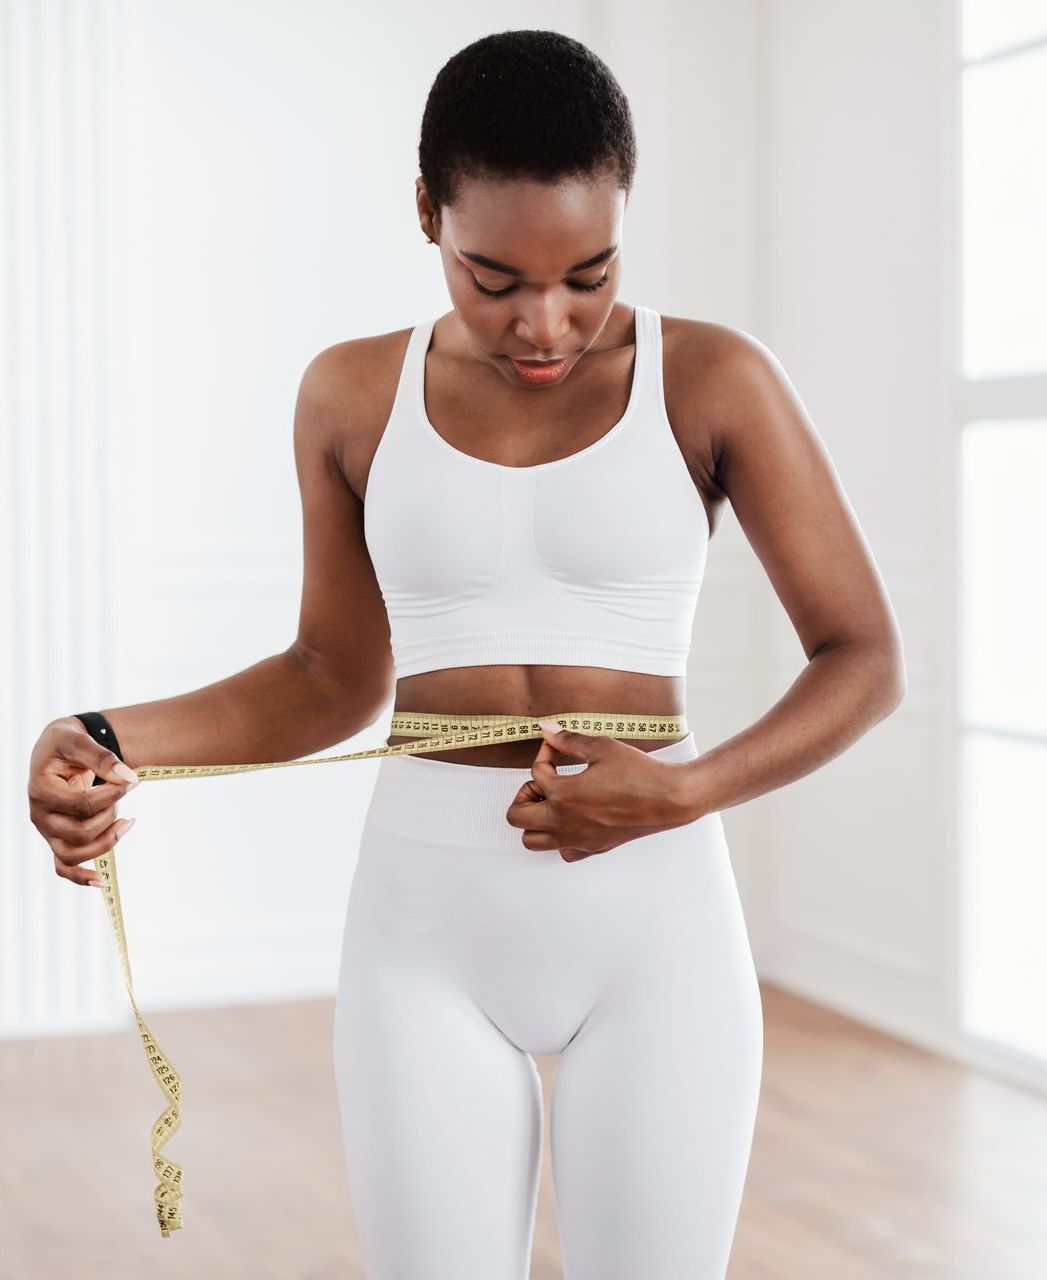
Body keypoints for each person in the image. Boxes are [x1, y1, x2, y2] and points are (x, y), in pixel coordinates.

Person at [27, 27, 906, 1280]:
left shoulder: (712, 378)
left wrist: (682, 790)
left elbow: (864, 654)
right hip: (426, 925)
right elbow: (332, 676)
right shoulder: (350, 395)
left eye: (589, 274)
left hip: (655, 922)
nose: (545, 323)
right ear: (428, 210)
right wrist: (108, 739)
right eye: (493, 279)